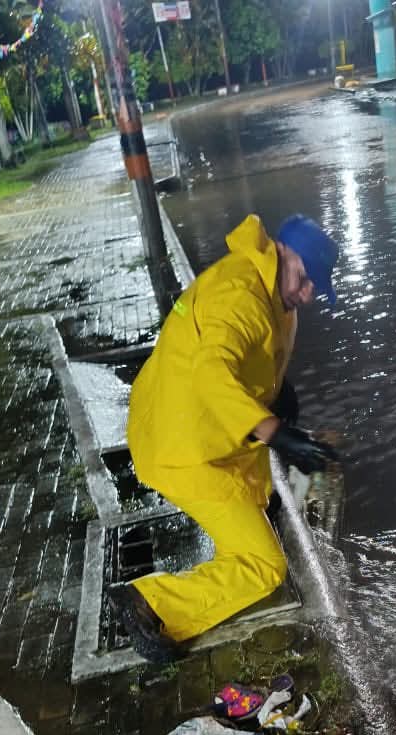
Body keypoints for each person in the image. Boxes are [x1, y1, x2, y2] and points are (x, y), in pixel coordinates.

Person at [110, 213, 340, 663]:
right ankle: (151, 602)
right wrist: (277, 433)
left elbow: (252, 358)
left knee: (260, 498)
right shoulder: (241, 296)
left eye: (316, 287)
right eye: (306, 280)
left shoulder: (275, 288)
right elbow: (214, 374)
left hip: (205, 429)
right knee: (265, 566)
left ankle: (247, 521)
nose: (309, 294)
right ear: (283, 253)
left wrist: (279, 397)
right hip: (181, 444)